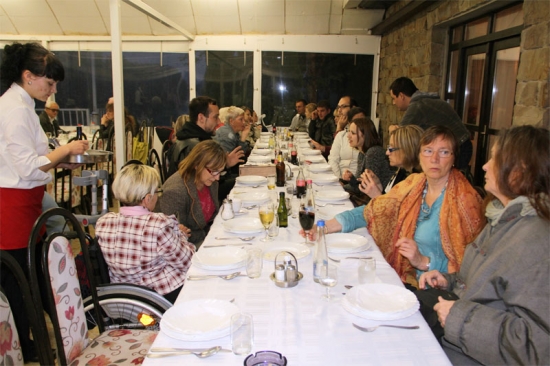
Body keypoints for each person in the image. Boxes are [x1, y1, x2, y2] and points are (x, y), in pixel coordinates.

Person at [418, 125, 549, 365]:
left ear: (521, 171)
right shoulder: (502, 217)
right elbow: (491, 288)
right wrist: (451, 280)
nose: (485, 166)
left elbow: (537, 347)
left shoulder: (538, 241)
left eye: (495, 159)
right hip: (457, 340)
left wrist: (459, 317)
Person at [304, 126, 485, 287]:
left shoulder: (466, 201)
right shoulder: (414, 184)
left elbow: (473, 267)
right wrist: (324, 227)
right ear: (419, 155)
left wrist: (424, 262)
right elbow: (372, 209)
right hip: (401, 276)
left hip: (434, 293)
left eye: (444, 152)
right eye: (428, 151)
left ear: (454, 158)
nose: (435, 159)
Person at [0, 41, 88, 363]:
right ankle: (22, 344)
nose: (51, 91)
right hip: (11, 207)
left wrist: (60, 161)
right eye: (49, 83)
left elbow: (35, 160)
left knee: (27, 280)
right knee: (17, 285)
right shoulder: (13, 108)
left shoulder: (23, 105)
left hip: (25, 203)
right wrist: (63, 151)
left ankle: (28, 339)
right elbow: (26, 167)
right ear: (28, 76)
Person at [95, 163, 195, 304]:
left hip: (122, 294)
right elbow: (187, 262)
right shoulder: (158, 224)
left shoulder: (104, 222)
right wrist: (181, 235)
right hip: (158, 294)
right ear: (148, 198)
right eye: (157, 193)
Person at [389, 77, 472, 170]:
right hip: (461, 145)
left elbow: (399, 135)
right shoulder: (426, 101)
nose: (393, 103)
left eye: (393, 98)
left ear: (401, 96)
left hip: (458, 148)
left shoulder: (417, 106)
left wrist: (391, 128)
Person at [159, 140, 226, 247]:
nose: (217, 177)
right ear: (197, 164)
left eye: (220, 171)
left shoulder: (209, 180)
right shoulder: (176, 191)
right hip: (188, 246)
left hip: (208, 237)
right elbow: (174, 236)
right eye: (214, 171)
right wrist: (210, 234)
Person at [167, 97, 244, 179]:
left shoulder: (194, 138)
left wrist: (226, 164)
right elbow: (203, 183)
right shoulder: (195, 146)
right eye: (215, 117)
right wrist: (226, 164)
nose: (219, 121)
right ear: (201, 118)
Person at [341, 117, 393, 206]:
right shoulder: (362, 153)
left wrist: (342, 187)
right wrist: (351, 179)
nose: (348, 135)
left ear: (364, 135)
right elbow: (359, 184)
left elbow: (366, 189)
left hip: (382, 202)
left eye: (353, 133)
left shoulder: (373, 152)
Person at [328, 104, 365, 178]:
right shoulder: (341, 135)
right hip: (339, 177)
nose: (360, 124)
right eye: (356, 121)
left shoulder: (366, 139)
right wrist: (338, 179)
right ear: (349, 123)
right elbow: (333, 160)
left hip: (356, 181)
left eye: (362, 121)